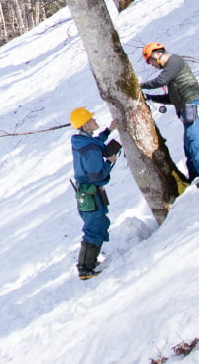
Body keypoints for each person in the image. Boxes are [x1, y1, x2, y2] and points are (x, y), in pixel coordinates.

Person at [139, 42, 199, 185]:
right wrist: (151, 98)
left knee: (193, 138)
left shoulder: (174, 60)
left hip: (192, 105)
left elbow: (161, 80)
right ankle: (195, 175)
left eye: (151, 62)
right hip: (188, 105)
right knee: (189, 145)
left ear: (157, 55)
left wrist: (141, 86)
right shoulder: (173, 71)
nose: (152, 65)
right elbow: (172, 98)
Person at [69, 106, 120, 280]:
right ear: (85, 126)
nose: (95, 121)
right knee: (94, 228)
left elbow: (96, 143)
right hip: (91, 194)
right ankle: (85, 268)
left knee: (99, 224)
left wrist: (108, 130)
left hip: (88, 194)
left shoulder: (82, 142)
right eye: (91, 120)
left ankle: (90, 262)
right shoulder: (89, 147)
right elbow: (96, 173)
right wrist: (109, 162)